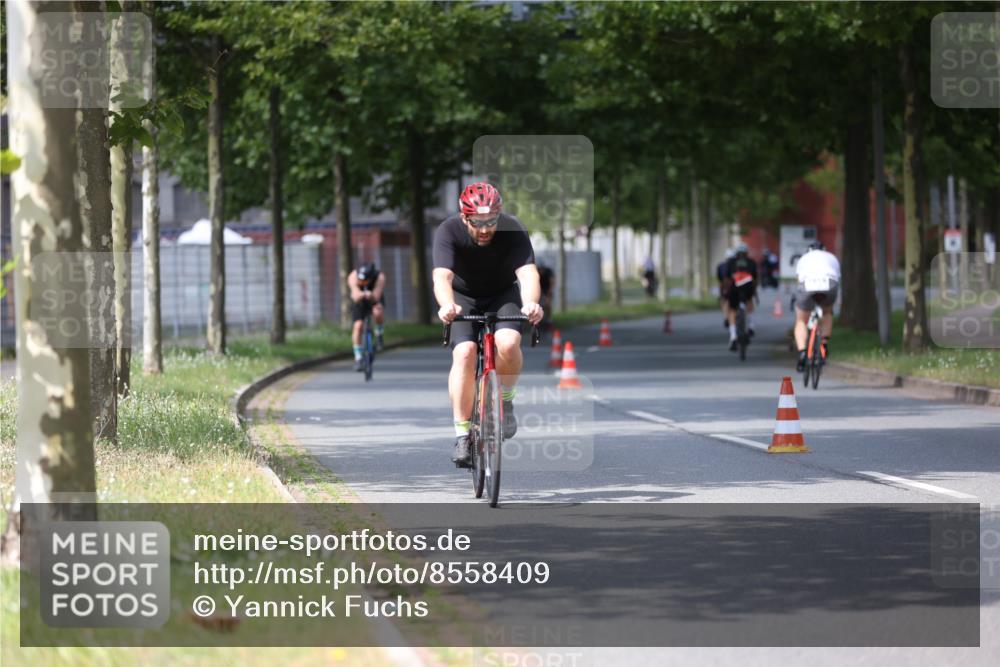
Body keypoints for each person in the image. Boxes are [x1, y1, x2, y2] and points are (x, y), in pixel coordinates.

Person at [432, 182, 544, 467]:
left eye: (491, 222)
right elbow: (442, 276)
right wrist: (447, 305)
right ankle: (462, 435)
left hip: (501, 294)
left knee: (508, 342)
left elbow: (528, 273)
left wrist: (530, 302)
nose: (484, 229)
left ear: (499, 214)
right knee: (465, 353)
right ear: (463, 217)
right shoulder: (448, 231)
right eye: (477, 223)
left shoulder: (513, 229)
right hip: (462, 297)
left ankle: (505, 400)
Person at [794, 241, 841, 371]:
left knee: (801, 320)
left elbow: (798, 281)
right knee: (827, 312)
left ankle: (803, 352)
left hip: (808, 284)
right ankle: (824, 345)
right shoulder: (832, 257)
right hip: (829, 283)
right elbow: (837, 278)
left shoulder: (804, 258)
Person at [347, 261, 386, 371]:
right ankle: (358, 357)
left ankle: (379, 335)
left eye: (366, 281)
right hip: (359, 300)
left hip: (374, 298)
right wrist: (362, 294)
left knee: (378, 312)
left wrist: (371, 295)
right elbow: (355, 295)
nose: (363, 282)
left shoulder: (380, 277)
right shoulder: (353, 276)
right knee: (358, 326)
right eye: (361, 280)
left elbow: (377, 295)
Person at [722, 243, 758, 350]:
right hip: (747, 287)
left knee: (732, 310)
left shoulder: (731, 262)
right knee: (749, 300)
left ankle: (733, 337)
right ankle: (751, 326)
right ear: (746, 253)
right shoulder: (751, 262)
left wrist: (725, 291)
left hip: (734, 288)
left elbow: (726, 279)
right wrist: (754, 292)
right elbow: (755, 279)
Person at [716, 248, 736, 328]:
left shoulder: (721, 265)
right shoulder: (736, 265)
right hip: (734, 286)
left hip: (724, 286)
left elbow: (719, 278)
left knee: (724, 300)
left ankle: (726, 317)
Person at [537, 261, 555, 333]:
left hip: (547, 289)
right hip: (539, 289)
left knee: (548, 305)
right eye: (540, 270)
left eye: (542, 270)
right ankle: (537, 322)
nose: (541, 271)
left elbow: (552, 282)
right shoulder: (536, 272)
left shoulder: (548, 272)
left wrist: (548, 294)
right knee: (538, 304)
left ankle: (549, 321)